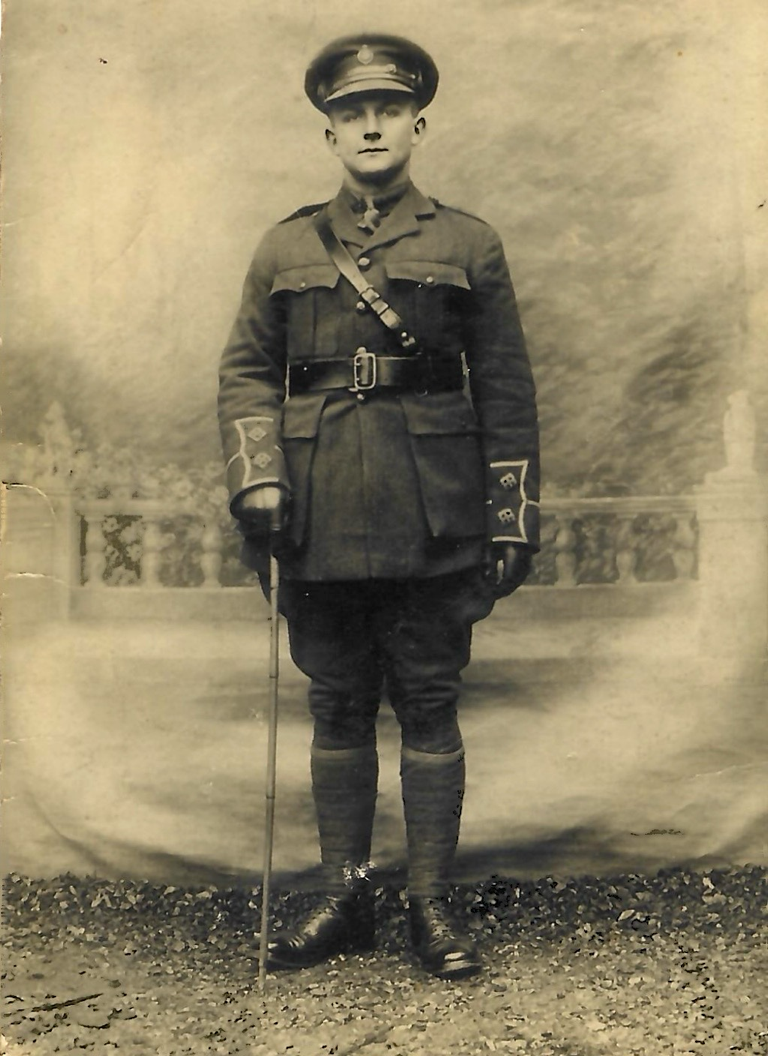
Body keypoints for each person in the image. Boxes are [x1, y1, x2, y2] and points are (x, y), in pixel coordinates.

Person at [218, 33, 540, 980]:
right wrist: (258, 475)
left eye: (387, 110)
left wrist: (511, 514)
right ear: (328, 132)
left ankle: (431, 907)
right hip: (314, 510)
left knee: (431, 704)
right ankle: (345, 895)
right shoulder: (285, 244)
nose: (369, 126)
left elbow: (509, 390)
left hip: (434, 512)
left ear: (416, 124)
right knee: (337, 706)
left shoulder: (467, 242)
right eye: (350, 114)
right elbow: (244, 373)